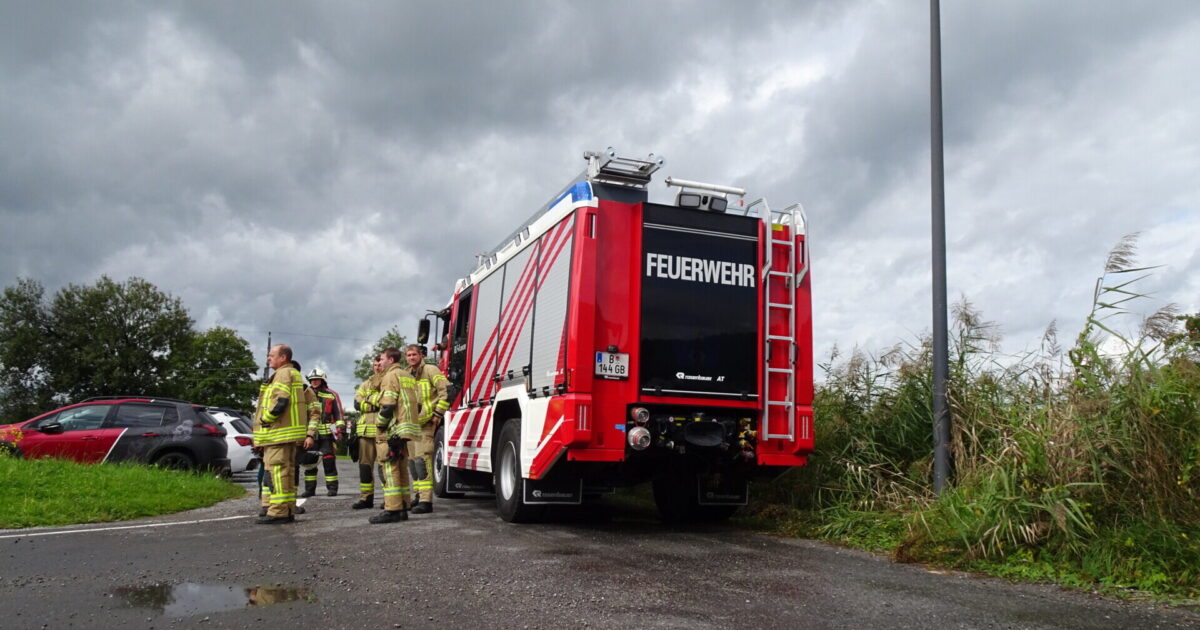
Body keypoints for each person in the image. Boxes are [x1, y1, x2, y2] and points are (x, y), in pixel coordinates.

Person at [252, 344, 308, 524]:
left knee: (277, 473)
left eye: (271, 355)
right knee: (286, 473)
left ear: (283, 357)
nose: (268, 358)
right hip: (286, 434)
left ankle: (278, 512)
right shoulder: (292, 373)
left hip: (278, 433)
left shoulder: (283, 374)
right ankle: (287, 510)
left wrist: (265, 419)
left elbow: (281, 401)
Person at [368, 347, 420, 524]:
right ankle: (403, 507)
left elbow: (388, 405)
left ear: (390, 360)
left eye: (382, 359)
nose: (379, 362)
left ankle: (392, 509)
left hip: (392, 430)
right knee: (401, 468)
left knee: (390, 469)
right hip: (406, 430)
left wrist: (380, 425)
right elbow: (418, 404)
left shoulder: (390, 376)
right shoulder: (409, 376)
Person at [405, 344, 449, 514]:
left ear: (421, 355)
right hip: (410, 425)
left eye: (414, 354)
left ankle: (426, 501)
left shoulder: (431, 370)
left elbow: (447, 391)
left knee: (422, 461)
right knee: (412, 463)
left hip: (426, 424)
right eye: (408, 355)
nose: (411, 358)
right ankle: (418, 495)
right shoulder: (406, 373)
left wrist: (438, 414)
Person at [302, 368, 344, 496]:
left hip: (326, 435)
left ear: (322, 380)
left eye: (317, 379)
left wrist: (340, 429)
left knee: (329, 461)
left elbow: (338, 413)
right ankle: (309, 490)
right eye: (312, 380)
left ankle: (332, 489)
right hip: (310, 435)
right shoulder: (304, 394)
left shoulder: (331, 394)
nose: (314, 382)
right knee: (310, 462)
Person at [350, 356, 383, 509]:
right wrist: (374, 404)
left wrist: (368, 400)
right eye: (375, 365)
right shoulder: (365, 384)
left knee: (385, 467)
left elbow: (389, 402)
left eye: (380, 364)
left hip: (383, 431)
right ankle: (366, 498)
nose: (377, 367)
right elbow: (357, 404)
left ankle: (390, 500)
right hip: (365, 432)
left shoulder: (389, 381)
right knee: (364, 467)